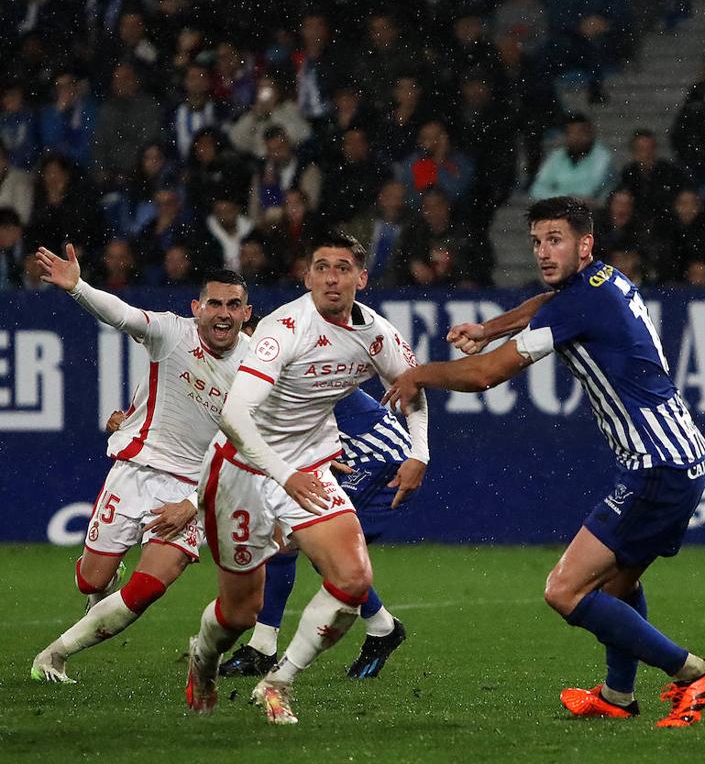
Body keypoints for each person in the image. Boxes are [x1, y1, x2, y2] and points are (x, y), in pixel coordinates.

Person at [385, 196, 705, 728]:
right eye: (538, 241)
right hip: (680, 456)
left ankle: (694, 673)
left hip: (656, 465)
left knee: (565, 591)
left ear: (585, 244)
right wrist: (490, 328)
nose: (544, 251)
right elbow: (543, 304)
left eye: (556, 240)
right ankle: (617, 696)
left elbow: (485, 376)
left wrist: (418, 375)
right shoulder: (600, 281)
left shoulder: (579, 303)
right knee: (617, 585)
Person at [184, 230, 429, 725]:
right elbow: (234, 416)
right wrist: (284, 474)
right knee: (236, 614)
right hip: (243, 466)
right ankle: (203, 659)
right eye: (321, 267)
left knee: (353, 579)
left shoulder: (377, 333)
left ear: (361, 277)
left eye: (342, 268)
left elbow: (412, 386)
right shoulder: (284, 330)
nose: (331, 277)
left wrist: (419, 451)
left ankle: (277, 683)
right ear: (307, 275)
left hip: (311, 464)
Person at [30, 248, 252, 683]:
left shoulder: (256, 367)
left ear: (247, 312)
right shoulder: (172, 333)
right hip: (136, 471)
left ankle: (53, 655)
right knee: (91, 582)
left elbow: (246, 451)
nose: (223, 314)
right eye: (214, 304)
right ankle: (103, 585)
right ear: (197, 308)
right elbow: (123, 316)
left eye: (233, 305)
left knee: (148, 588)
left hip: (192, 487)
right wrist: (78, 287)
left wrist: (193, 503)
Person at [217, 386, 415, 680]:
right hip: (349, 454)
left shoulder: (279, 358)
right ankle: (264, 647)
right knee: (289, 540)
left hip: (378, 459)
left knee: (306, 540)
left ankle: (381, 627)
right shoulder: (258, 362)